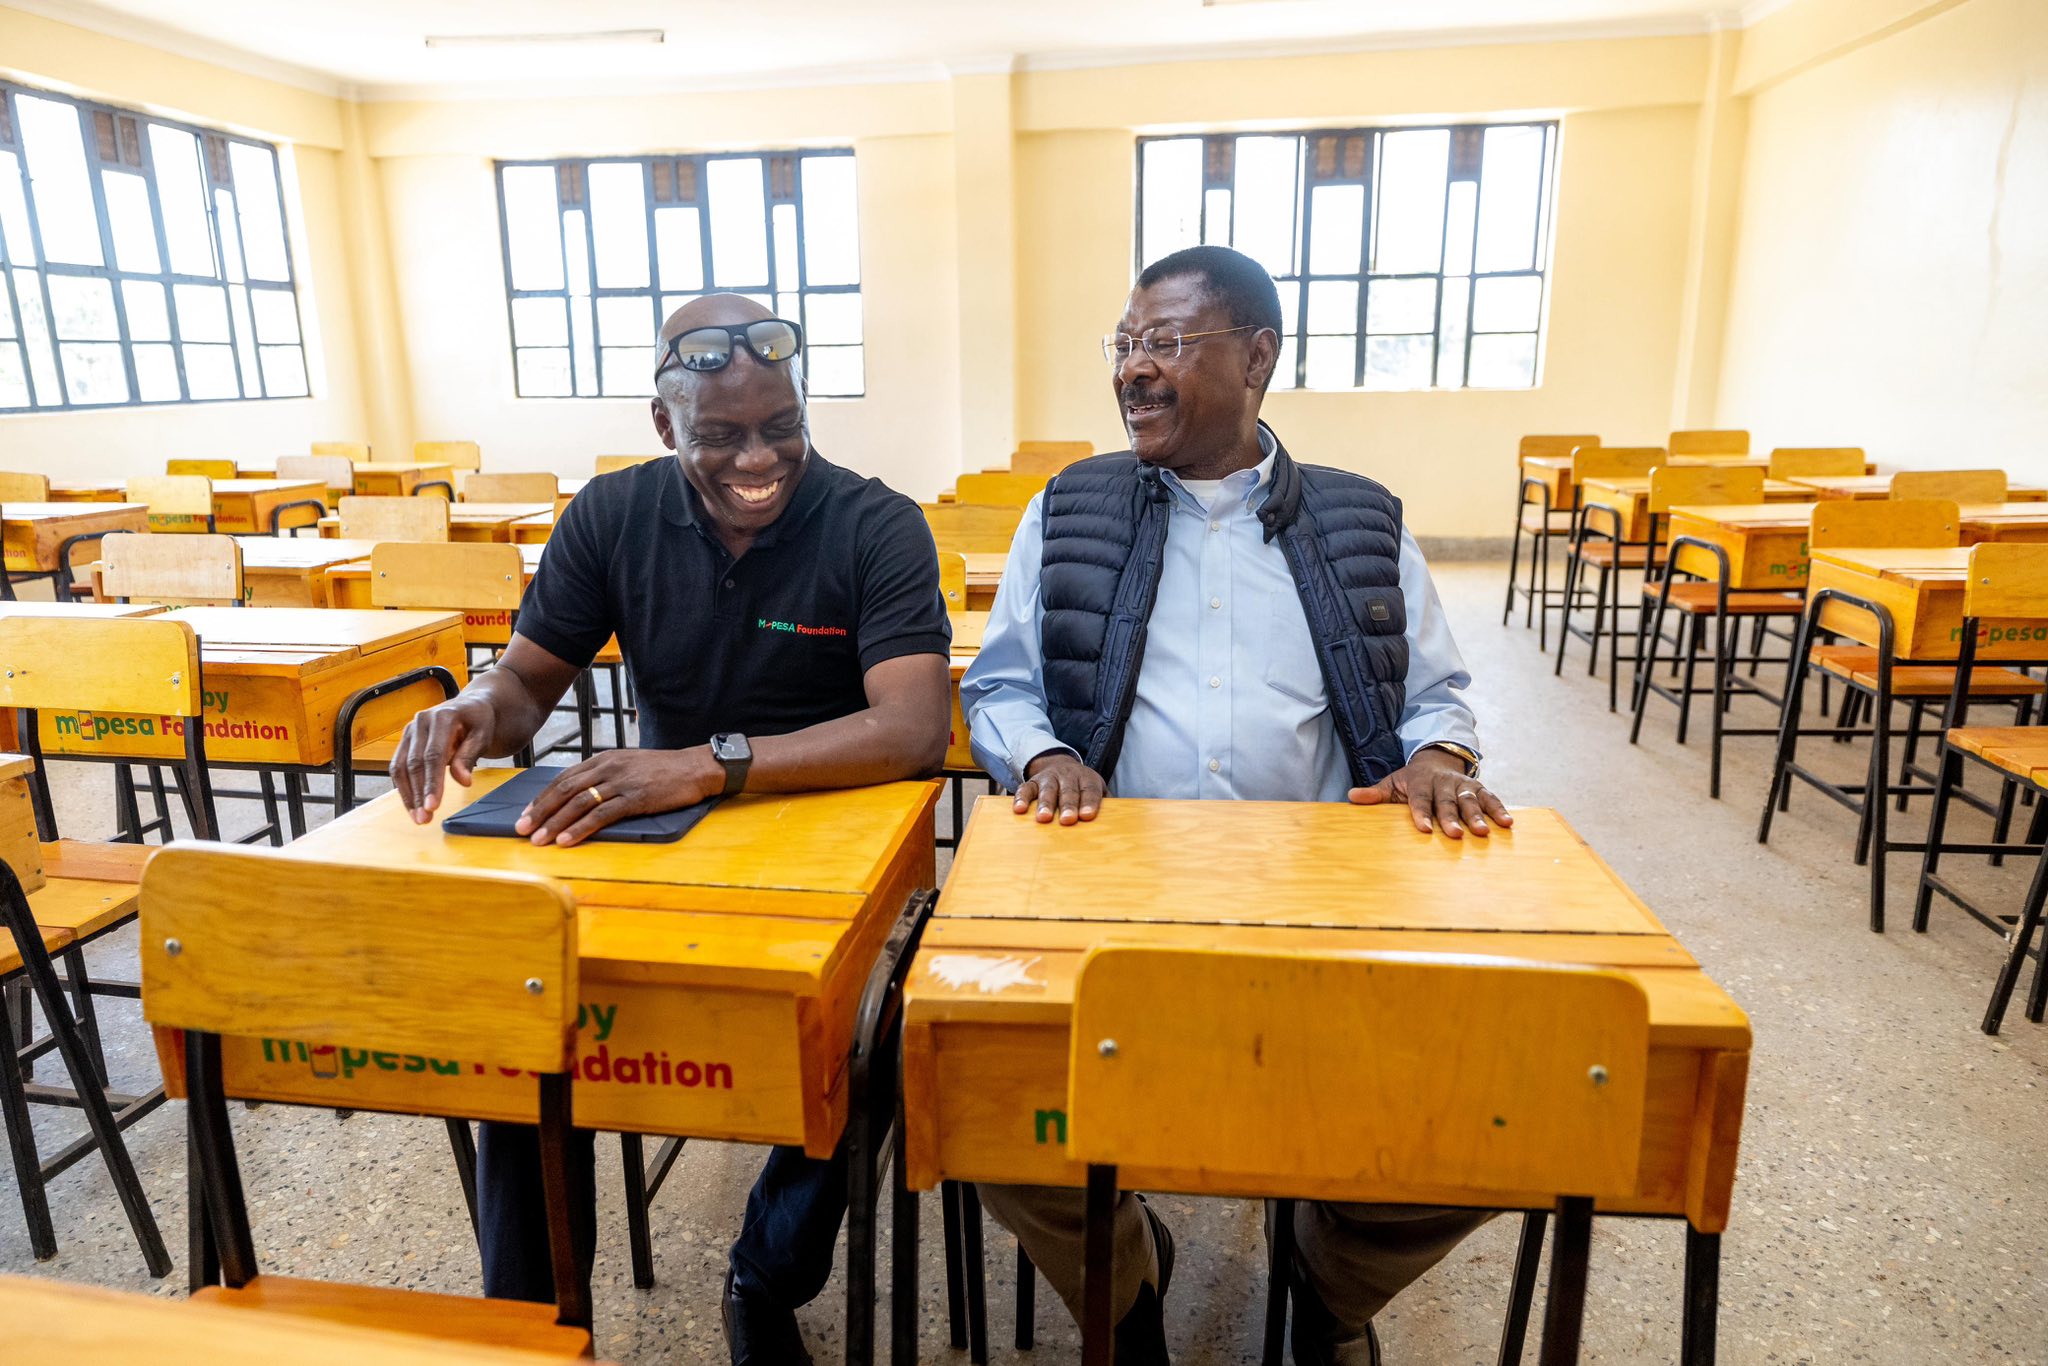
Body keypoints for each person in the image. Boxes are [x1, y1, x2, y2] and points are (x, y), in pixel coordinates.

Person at [958, 244, 1513, 1366]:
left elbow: (1437, 695)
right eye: (1124, 345)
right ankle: (1122, 1287)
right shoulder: (1067, 509)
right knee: (981, 1103)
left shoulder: (1358, 519)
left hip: (1319, 905)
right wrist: (1042, 752)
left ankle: (1327, 1275)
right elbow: (1001, 682)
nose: (1133, 371)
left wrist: (1437, 757)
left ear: (1256, 358)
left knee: (1506, 1107)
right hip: (1104, 901)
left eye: (1166, 343)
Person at [387, 294, 951, 1365]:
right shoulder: (610, 515)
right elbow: (525, 684)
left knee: (870, 1041)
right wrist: (474, 702)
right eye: (720, 436)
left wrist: (708, 761)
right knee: (523, 1016)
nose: (759, 458)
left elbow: (914, 728)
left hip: (839, 849)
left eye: (780, 426)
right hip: (669, 845)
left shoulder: (875, 523)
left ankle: (763, 1272)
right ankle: (536, 1333)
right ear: (662, 426)